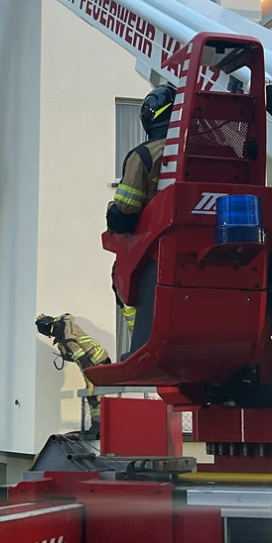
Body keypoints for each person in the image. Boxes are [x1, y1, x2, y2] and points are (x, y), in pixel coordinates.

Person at [106, 83, 176, 355]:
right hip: (210, 238)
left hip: (154, 249)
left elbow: (125, 214)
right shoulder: (207, 148)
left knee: (122, 277)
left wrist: (112, 212)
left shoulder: (145, 155)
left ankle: (141, 344)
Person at [36, 314, 110, 439]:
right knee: (93, 394)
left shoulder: (67, 341)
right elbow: (67, 315)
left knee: (94, 395)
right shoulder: (65, 322)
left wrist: (90, 379)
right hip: (99, 357)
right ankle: (98, 426)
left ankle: (98, 427)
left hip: (95, 363)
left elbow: (82, 360)